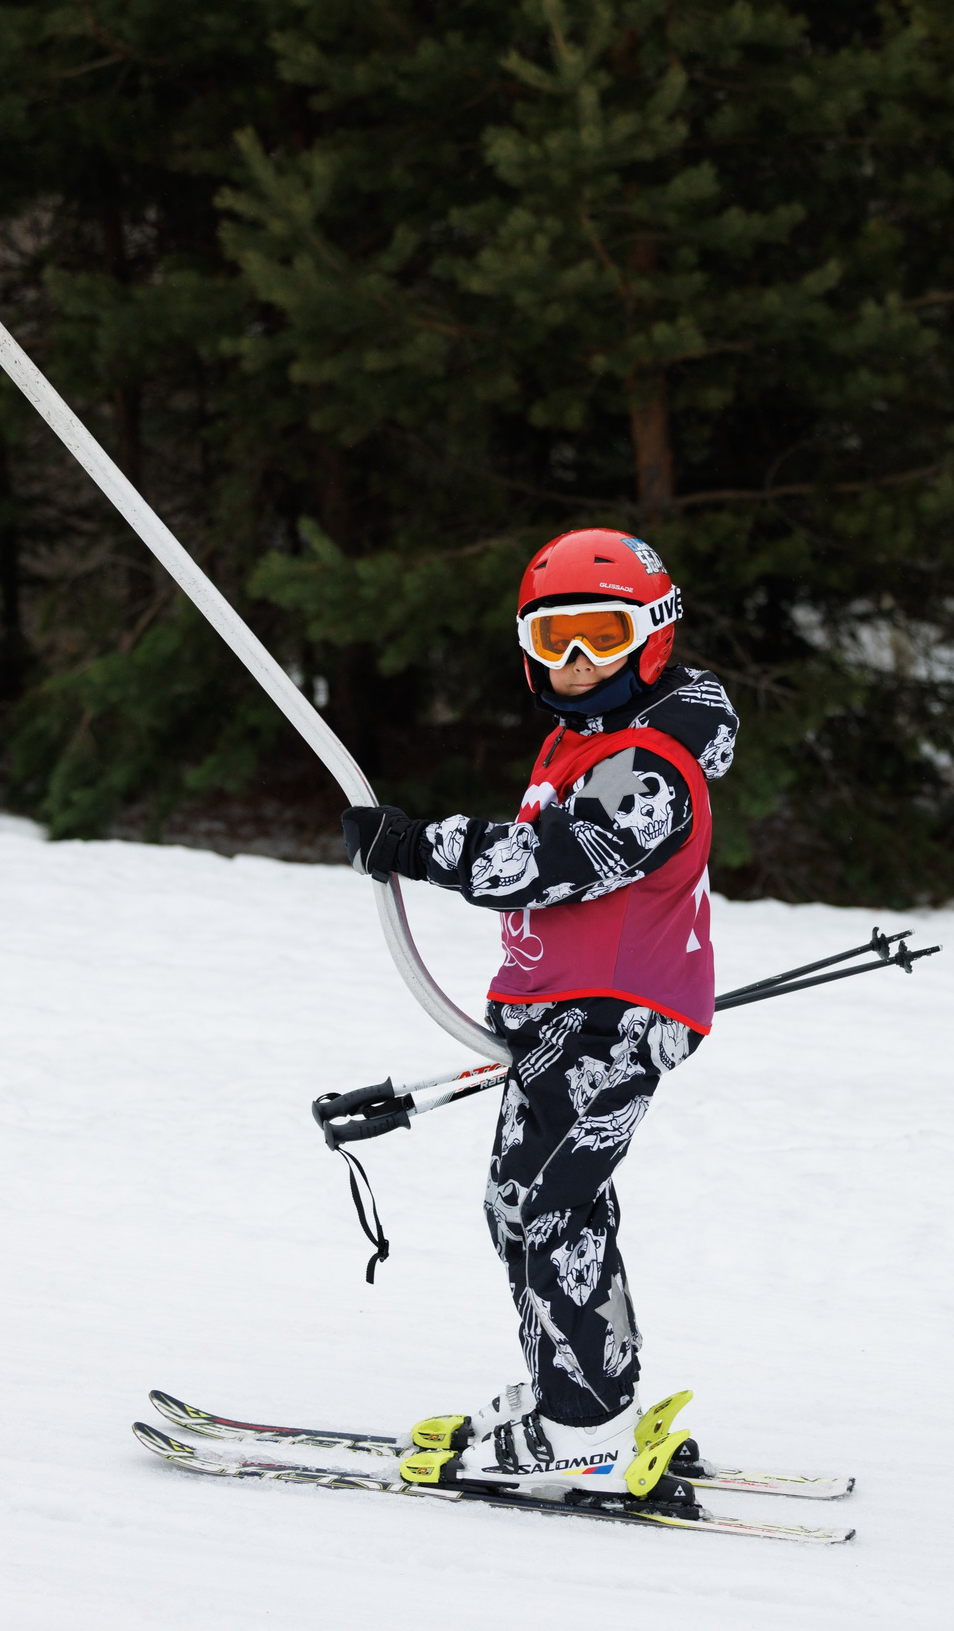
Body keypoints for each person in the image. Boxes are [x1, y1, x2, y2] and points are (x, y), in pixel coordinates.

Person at [339, 528, 738, 1500]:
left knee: (550, 1209)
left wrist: (416, 846)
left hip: (613, 1021)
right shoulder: (590, 738)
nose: (577, 661)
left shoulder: (649, 762)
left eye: (601, 635)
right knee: (526, 1204)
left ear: (652, 635)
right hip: (568, 1017)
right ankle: (588, 1390)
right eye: (554, 639)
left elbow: (555, 860)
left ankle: (583, 1425)